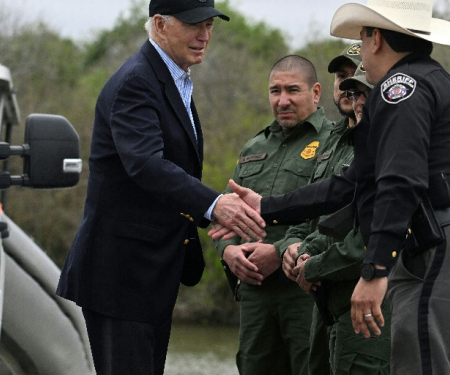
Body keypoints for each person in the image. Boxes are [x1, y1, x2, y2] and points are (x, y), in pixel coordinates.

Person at [212, 2, 450, 374]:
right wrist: (267, 207)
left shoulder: (398, 88)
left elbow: (400, 182)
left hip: (441, 256)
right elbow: (352, 183)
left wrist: (374, 271)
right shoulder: (432, 79)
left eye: (361, 36)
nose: (360, 61)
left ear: (376, 39)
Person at [55, 1, 267, 374]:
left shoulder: (173, 77)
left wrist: (212, 210)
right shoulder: (137, 80)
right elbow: (147, 165)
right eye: (193, 25)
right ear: (159, 24)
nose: (204, 35)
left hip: (151, 275)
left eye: (209, 25)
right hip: (121, 278)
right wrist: (215, 205)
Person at [214, 55, 333, 375]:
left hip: (306, 291)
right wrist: (228, 251)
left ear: (316, 92)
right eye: (275, 91)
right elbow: (225, 218)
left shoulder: (334, 143)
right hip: (255, 296)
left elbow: (342, 219)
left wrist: (278, 251)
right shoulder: (253, 146)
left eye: (293, 90)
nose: (282, 100)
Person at [286, 64, 392, 374]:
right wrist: (303, 249)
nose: (358, 102)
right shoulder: (362, 151)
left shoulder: (394, 154)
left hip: (375, 309)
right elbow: (336, 219)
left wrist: (313, 266)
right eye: (355, 94)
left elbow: (366, 243)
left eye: (367, 95)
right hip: (332, 304)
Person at [276, 44, 362, 375]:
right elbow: (309, 212)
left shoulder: (381, 141)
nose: (346, 87)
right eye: (341, 77)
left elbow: (364, 230)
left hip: (360, 295)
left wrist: (310, 262)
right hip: (322, 299)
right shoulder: (329, 141)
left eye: (355, 77)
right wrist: (292, 248)